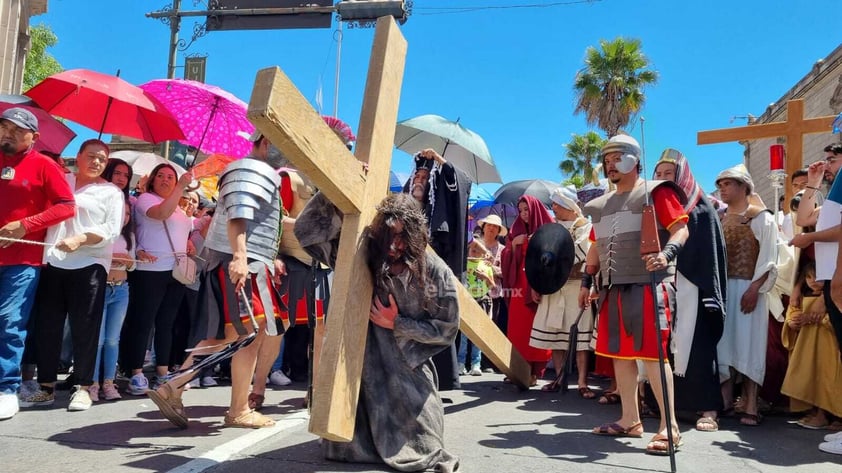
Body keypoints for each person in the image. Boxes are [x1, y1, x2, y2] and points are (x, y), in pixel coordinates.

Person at [146, 131, 286, 429]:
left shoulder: (257, 170)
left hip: (249, 262)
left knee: (243, 335)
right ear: (266, 140)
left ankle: (235, 407)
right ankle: (176, 385)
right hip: (239, 263)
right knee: (234, 334)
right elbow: (239, 214)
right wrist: (239, 255)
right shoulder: (252, 167)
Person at [323, 193, 460, 472]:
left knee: (425, 446)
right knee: (344, 447)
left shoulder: (436, 273)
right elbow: (310, 234)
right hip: (365, 364)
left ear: (416, 235)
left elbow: (447, 330)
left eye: (402, 238)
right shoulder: (367, 255)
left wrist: (397, 323)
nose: (395, 246)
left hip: (407, 367)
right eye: (389, 236)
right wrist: (336, 195)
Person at [580, 134, 688, 455]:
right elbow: (595, 247)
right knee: (620, 355)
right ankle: (630, 419)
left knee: (653, 355)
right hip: (613, 286)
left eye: (616, 158)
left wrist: (667, 253)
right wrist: (587, 284)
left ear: (633, 159)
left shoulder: (655, 192)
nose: (610, 165)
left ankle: (670, 427)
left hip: (648, 282)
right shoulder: (600, 205)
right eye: (607, 159)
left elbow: (681, 227)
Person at [20, 139, 124, 411]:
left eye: (102, 158)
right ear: (77, 157)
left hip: (89, 263)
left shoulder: (111, 192)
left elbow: (111, 230)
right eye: (91, 156)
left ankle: (83, 386)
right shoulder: (61, 178)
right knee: (48, 326)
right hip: (53, 261)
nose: (96, 162)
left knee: (85, 328)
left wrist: (81, 239)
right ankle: (46, 386)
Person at [0, 107, 75, 420]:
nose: (8, 133)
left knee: (8, 322)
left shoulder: (44, 165)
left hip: (22, 261)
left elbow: (67, 206)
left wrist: (25, 226)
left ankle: (6, 388)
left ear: (34, 136)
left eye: (17, 130)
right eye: (5, 127)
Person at [653, 149, 727, 432]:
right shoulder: (656, 206)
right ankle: (669, 405)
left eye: (668, 174)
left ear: (681, 175)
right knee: (665, 347)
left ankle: (709, 409)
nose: (662, 180)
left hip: (694, 288)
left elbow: (708, 254)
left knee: (698, 348)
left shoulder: (700, 208)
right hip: (665, 285)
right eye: (658, 175)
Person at [120, 163, 195, 395]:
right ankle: (136, 372)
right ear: (152, 180)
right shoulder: (145, 200)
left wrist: (189, 242)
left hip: (175, 272)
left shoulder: (180, 210)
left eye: (170, 177)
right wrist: (181, 186)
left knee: (166, 324)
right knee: (143, 323)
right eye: (160, 175)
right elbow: (161, 213)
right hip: (150, 271)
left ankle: (163, 372)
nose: (165, 179)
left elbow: (181, 230)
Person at [715, 164, 777, 427]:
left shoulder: (761, 217)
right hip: (724, 290)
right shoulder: (719, 218)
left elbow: (770, 258)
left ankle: (751, 403)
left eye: (728, 184)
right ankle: (725, 401)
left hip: (751, 289)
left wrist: (755, 288)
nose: (723, 189)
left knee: (750, 346)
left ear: (743, 186)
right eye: (721, 185)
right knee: (723, 345)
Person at [404, 148, 471, 391]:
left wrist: (440, 162)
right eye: (416, 178)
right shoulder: (402, 208)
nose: (419, 182)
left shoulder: (436, 213)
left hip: (431, 284)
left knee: (432, 328)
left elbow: (459, 184)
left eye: (424, 178)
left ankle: (437, 382)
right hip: (403, 284)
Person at [533, 186, 594, 397]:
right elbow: (541, 255)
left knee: (580, 338)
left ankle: (582, 382)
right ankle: (558, 378)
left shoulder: (585, 227)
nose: (554, 208)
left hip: (577, 285)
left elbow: (577, 253)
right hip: (553, 286)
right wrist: (537, 283)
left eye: (558, 204)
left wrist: (557, 253)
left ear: (569, 206)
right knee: (555, 335)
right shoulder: (552, 228)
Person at [781, 261, 842, 430]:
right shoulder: (802, 296)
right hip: (808, 348)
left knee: (829, 380)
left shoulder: (835, 298)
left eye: (818, 277)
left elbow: (836, 321)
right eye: (809, 277)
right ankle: (818, 413)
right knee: (813, 378)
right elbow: (793, 312)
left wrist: (814, 319)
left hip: (829, 347)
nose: (813, 281)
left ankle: (835, 417)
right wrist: (793, 322)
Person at [501, 194, 554, 386]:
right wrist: (514, 244)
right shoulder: (515, 229)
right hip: (519, 285)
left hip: (536, 284)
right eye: (520, 210)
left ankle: (533, 372)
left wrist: (538, 286)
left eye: (527, 210)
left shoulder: (547, 229)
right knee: (517, 329)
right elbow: (507, 253)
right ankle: (516, 369)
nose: (523, 214)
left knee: (535, 329)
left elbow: (550, 261)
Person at [89, 201, 137, 401]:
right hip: (100, 288)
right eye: (120, 213)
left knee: (112, 340)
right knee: (97, 340)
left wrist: (126, 261)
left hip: (121, 290)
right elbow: (92, 257)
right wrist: (112, 256)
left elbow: (133, 265)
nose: (124, 217)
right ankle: (92, 384)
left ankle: (109, 382)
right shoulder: (102, 233)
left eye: (127, 214)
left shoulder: (130, 236)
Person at [458, 238, 494, 376]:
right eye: (472, 249)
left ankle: (476, 364)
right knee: (464, 336)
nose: (473, 252)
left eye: (477, 250)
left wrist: (486, 277)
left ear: (482, 253)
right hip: (467, 301)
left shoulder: (486, 266)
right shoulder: (463, 264)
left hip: (481, 302)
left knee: (478, 335)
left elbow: (493, 288)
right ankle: (461, 363)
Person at [476, 214, 506, 372]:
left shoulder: (502, 250)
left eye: (494, 226)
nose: (491, 228)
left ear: (498, 231)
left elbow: (505, 272)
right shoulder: (475, 245)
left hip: (493, 293)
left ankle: (487, 362)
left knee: (491, 327)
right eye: (488, 225)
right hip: (474, 291)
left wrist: (491, 268)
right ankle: (471, 361)